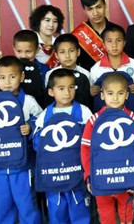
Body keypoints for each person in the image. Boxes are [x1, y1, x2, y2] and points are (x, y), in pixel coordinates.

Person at [0, 56, 43, 224]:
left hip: (23, 166)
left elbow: (42, 122)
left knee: (27, 204)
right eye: (2, 77)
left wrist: (31, 126)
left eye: (12, 77)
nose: (7, 82)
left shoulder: (28, 101)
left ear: (21, 77)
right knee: (1, 206)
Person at [81, 73, 134, 224]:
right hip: (101, 179)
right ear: (102, 95)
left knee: (126, 215)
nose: (115, 98)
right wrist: (89, 176)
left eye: (120, 93)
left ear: (127, 95)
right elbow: (86, 151)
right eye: (110, 93)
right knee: (106, 216)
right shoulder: (93, 121)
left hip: (127, 179)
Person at [33, 69, 93, 224]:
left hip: (76, 172)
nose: (67, 92)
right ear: (51, 92)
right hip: (54, 174)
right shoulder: (45, 114)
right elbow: (37, 143)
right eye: (61, 88)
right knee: (56, 210)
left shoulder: (84, 112)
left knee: (79, 208)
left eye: (71, 87)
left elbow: (91, 141)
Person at [89, 24, 134, 98]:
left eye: (118, 40)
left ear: (124, 43)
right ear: (103, 44)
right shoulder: (96, 69)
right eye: (109, 41)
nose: (114, 45)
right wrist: (91, 92)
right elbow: (93, 92)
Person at [45, 34, 92, 109]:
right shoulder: (50, 74)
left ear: (78, 52)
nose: (67, 56)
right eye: (62, 52)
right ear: (56, 55)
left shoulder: (86, 74)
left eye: (71, 51)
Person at [76, 0, 115, 71]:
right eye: (90, 9)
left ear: (105, 5)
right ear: (84, 10)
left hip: (113, 77)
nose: (95, 13)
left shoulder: (116, 31)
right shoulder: (79, 34)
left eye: (99, 7)